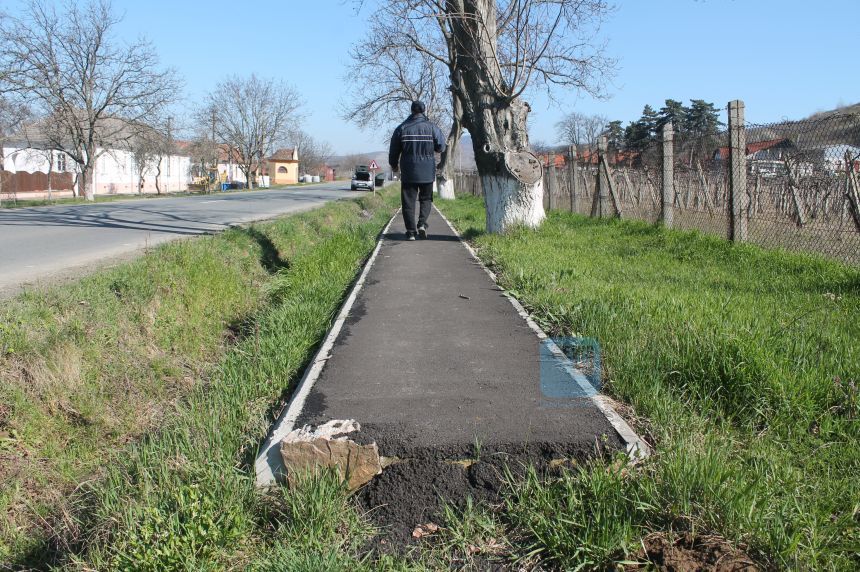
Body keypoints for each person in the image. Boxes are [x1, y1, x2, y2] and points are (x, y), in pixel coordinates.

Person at [389, 101, 446, 240]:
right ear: (423, 110)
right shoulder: (432, 128)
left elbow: (394, 151)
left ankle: (410, 232)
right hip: (427, 170)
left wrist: (394, 165)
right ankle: (422, 224)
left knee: (408, 202)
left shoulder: (401, 128)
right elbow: (441, 147)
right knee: (426, 199)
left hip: (408, 171)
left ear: (411, 110)